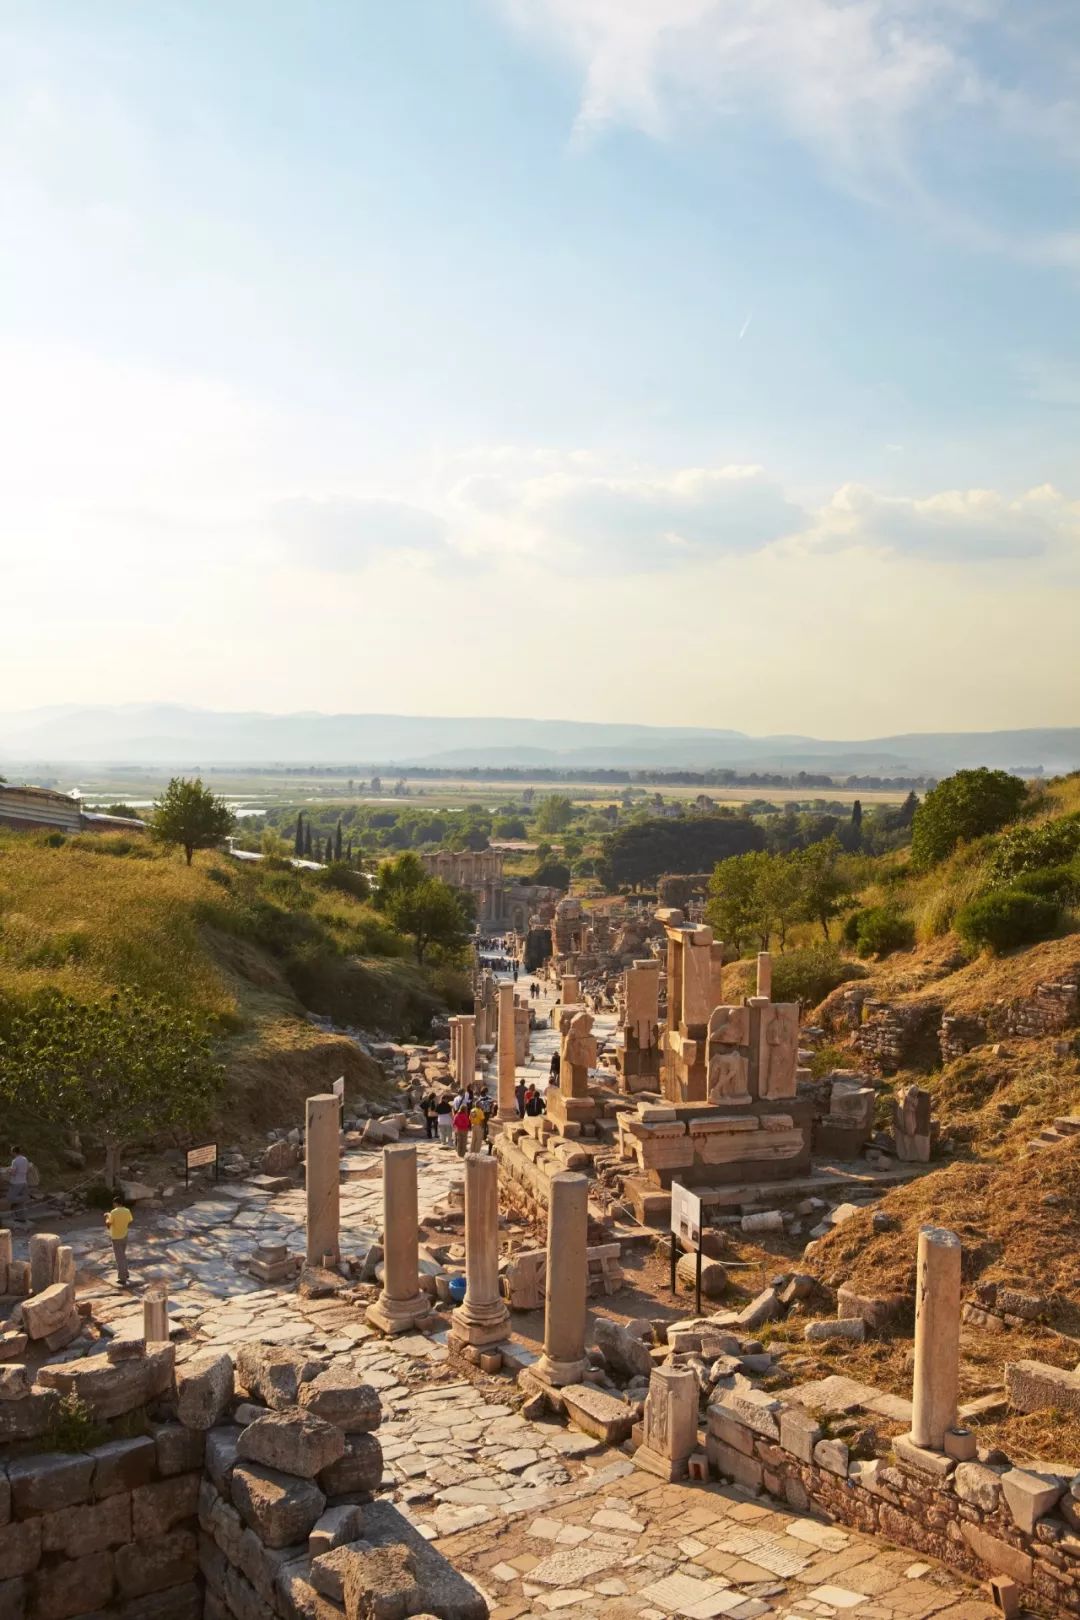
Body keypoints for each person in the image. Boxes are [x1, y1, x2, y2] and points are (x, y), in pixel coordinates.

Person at [105, 1193, 133, 1285]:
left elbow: (108, 1224)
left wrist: (107, 1217)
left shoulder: (113, 1212)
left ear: (116, 1203)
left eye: (114, 1203)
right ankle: (126, 1273)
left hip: (116, 1237)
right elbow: (129, 1221)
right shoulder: (127, 1210)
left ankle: (122, 1278)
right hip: (124, 1235)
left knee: (119, 1258)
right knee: (123, 1256)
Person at [5, 1146, 30, 1213]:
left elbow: (13, 1173)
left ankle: (25, 1198)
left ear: (14, 1152)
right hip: (24, 1182)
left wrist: (8, 1171)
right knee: (21, 1204)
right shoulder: (25, 1159)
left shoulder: (15, 1161)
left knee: (10, 1198)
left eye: (11, 1151)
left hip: (16, 1183)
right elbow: (27, 1170)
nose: (10, 1153)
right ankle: (22, 1218)